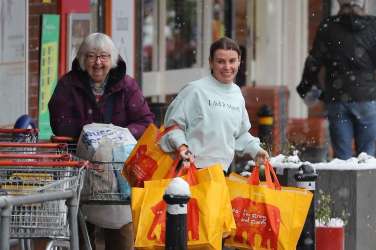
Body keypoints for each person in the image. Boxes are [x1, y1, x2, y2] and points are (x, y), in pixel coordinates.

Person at [48, 32, 154, 250]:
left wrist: (117, 133)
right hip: (81, 169)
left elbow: (145, 122)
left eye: (104, 56)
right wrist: (91, 135)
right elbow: (61, 124)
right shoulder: (68, 85)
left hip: (117, 170)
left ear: (113, 59)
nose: (98, 63)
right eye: (91, 56)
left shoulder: (127, 86)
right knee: (82, 230)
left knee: (121, 231)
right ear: (82, 59)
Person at [160, 36, 269, 173]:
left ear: (239, 62)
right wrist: (182, 147)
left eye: (232, 61)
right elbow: (173, 126)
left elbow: (240, 134)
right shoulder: (195, 90)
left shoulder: (236, 94)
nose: (227, 67)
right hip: (189, 170)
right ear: (211, 62)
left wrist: (256, 150)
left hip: (219, 173)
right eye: (220, 61)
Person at [297, 0, 376, 160]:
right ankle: (367, 184)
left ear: (339, 3)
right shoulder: (373, 26)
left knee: (342, 158)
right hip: (367, 99)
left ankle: (344, 184)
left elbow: (314, 61)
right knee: (368, 158)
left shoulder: (328, 26)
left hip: (337, 98)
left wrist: (306, 88)